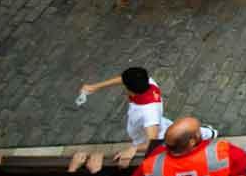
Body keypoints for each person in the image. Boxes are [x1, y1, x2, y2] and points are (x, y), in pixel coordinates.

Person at [78, 67, 215, 167]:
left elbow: (152, 142)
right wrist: (96, 86)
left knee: (177, 139)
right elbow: (124, 79)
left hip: (157, 135)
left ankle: (208, 134)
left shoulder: (148, 114)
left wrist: (134, 149)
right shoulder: (148, 83)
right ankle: (207, 132)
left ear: (129, 89)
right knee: (178, 130)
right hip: (162, 124)